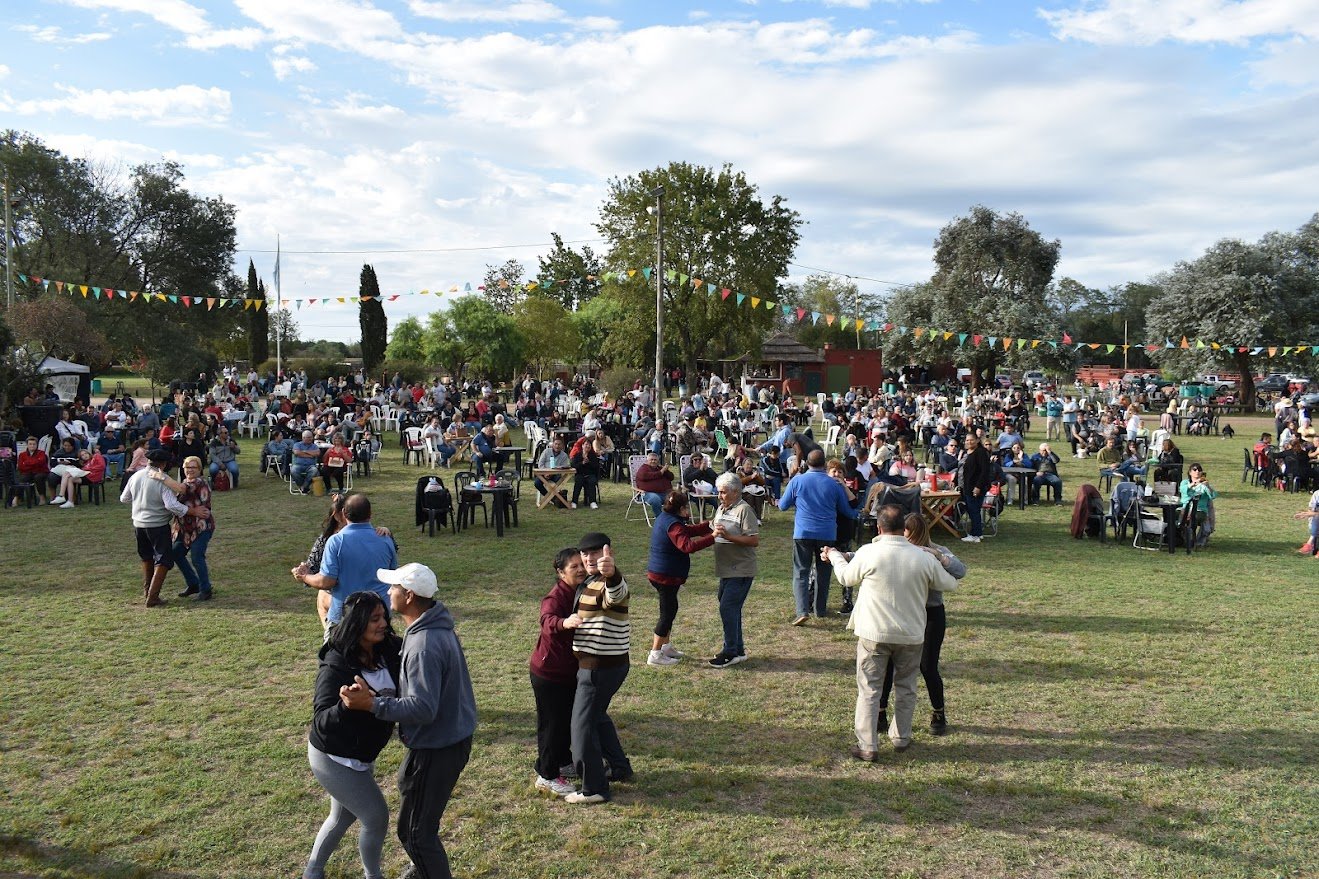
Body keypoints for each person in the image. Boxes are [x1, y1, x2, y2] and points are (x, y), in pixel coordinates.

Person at [340, 563, 477, 879]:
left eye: (394, 588)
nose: (388, 593)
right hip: (451, 740)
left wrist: (372, 703)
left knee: (416, 833)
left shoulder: (423, 645)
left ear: (409, 595)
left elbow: (422, 708)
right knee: (416, 814)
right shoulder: (438, 628)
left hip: (436, 747)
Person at [824, 505, 958, 760]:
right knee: (906, 687)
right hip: (911, 633)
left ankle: (868, 745)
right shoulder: (923, 557)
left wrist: (834, 556)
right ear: (902, 528)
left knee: (869, 689)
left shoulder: (869, 552)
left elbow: (845, 578)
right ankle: (901, 737)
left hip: (874, 633)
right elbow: (951, 583)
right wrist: (938, 559)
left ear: (878, 527)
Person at [303, 591, 402, 879]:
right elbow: (321, 721)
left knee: (342, 816)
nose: (383, 623)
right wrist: (347, 706)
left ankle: (312, 872)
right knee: (375, 817)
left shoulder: (388, 649)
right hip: (332, 756)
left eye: (384, 616)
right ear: (357, 623)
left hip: (360, 752)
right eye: (375, 619)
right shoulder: (336, 665)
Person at [877, 513, 966, 737]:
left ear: (915, 532)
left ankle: (939, 713)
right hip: (903, 612)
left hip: (930, 613)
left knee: (928, 666)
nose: (901, 535)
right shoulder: (896, 548)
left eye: (905, 531)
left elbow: (960, 570)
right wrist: (839, 555)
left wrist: (938, 556)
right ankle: (880, 712)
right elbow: (865, 555)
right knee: (889, 664)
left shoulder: (935, 550)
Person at [565, 533, 632, 804]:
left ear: (609, 553)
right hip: (605, 665)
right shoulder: (589, 581)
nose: (590, 558)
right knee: (597, 717)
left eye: (595, 552)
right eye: (585, 553)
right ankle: (619, 767)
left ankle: (594, 788)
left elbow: (616, 593)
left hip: (599, 668)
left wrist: (613, 573)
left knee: (581, 728)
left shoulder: (609, 581)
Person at [529, 548, 586, 798]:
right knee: (551, 725)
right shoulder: (555, 598)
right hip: (549, 673)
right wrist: (565, 622)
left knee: (564, 721)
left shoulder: (581, 589)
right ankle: (547, 775)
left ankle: (563, 761)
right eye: (574, 567)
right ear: (561, 572)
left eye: (581, 564)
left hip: (568, 670)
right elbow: (547, 621)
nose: (581, 570)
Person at [778, 449, 859, 624]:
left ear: (807, 463)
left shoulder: (797, 481)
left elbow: (782, 506)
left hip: (803, 533)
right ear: (824, 464)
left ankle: (802, 610)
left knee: (801, 572)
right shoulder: (834, 485)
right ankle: (820, 610)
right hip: (827, 534)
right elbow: (848, 512)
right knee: (824, 573)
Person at [296, 494, 398, 632]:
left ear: (344, 513)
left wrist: (305, 577)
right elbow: (392, 575)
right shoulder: (386, 539)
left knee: (333, 652)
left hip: (348, 616)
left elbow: (326, 582)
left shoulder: (336, 541)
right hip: (380, 615)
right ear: (370, 514)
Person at [645, 490, 716, 667]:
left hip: (661, 574)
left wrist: (710, 526)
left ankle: (666, 647)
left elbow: (687, 531)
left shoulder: (667, 518)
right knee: (666, 614)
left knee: (671, 610)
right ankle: (655, 654)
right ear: (681, 508)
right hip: (665, 576)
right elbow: (687, 545)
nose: (689, 512)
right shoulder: (674, 525)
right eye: (687, 508)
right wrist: (713, 538)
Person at [119, 449, 189, 607]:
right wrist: (190, 511)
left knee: (146, 557)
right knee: (163, 559)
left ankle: (147, 592)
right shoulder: (163, 481)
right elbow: (171, 505)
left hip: (138, 524)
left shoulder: (135, 476)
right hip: (157, 525)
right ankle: (153, 596)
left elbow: (124, 498)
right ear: (164, 464)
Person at [709, 472, 759, 668]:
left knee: (727, 608)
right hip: (726, 569)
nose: (719, 496)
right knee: (731, 607)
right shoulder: (722, 508)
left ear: (736, 492)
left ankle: (729, 651)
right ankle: (738, 649)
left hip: (740, 569)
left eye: (723, 492)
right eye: (719, 492)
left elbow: (753, 540)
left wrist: (730, 537)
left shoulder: (744, 510)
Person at [172, 456, 215, 601]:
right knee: (175, 553)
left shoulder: (199, 482)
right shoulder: (184, 482)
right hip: (184, 529)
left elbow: (182, 489)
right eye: (187, 467)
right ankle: (193, 584)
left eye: (193, 467)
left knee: (197, 556)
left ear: (200, 469)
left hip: (201, 527)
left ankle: (206, 589)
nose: (190, 470)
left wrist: (159, 476)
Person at [959, 435, 993, 542]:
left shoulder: (980, 453)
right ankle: (977, 532)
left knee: (974, 510)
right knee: (972, 510)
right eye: (967, 440)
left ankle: (976, 535)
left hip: (975, 487)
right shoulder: (967, 453)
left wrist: (978, 487)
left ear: (977, 440)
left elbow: (984, 471)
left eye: (971, 440)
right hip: (967, 486)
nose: (969, 442)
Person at [1178, 463, 1218, 548]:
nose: (1197, 471)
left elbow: (1213, 496)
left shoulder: (1204, 485)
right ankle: (1179, 538)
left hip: (1200, 510)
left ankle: (1192, 541)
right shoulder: (1185, 483)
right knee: (1175, 514)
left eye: (1199, 470)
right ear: (1190, 472)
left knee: (1194, 517)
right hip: (1185, 508)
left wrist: (1208, 487)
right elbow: (1183, 490)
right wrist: (1192, 484)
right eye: (1195, 469)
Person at [533, 437, 571, 508]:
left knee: (560, 482)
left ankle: (557, 498)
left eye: (559, 444)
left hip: (556, 474)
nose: (557, 446)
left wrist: (555, 471)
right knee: (537, 483)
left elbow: (566, 465)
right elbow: (540, 464)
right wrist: (545, 473)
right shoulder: (546, 451)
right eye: (556, 444)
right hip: (544, 473)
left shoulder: (564, 455)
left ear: (562, 446)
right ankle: (553, 498)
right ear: (552, 444)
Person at [634, 450, 673, 518]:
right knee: (655, 499)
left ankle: (674, 517)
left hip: (664, 493)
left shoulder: (660, 468)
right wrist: (661, 472)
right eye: (651, 460)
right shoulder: (643, 469)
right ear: (647, 461)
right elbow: (645, 476)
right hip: (647, 493)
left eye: (655, 460)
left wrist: (666, 471)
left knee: (676, 498)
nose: (653, 461)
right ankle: (660, 518)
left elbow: (671, 477)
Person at [569, 429, 602, 509]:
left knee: (592, 481)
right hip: (580, 474)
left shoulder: (592, 455)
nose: (587, 446)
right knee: (578, 482)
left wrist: (589, 462)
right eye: (586, 444)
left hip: (590, 474)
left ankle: (592, 502)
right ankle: (574, 501)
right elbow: (573, 465)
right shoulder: (578, 455)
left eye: (589, 445)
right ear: (582, 445)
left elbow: (596, 466)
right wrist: (582, 463)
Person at [17, 436, 50, 503]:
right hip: (28, 472)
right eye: (30, 444)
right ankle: (17, 498)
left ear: (37, 445)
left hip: (41, 472)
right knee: (22, 478)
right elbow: (21, 467)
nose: (32, 446)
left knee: (38, 477)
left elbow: (41, 463)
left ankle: (42, 497)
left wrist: (26, 463)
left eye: (34, 444)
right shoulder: (22, 455)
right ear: (27, 445)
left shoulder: (41, 453)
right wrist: (34, 463)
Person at [291, 429, 322, 494]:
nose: (311, 438)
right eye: (309, 437)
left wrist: (304, 451)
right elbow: (297, 452)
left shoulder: (314, 446)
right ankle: (304, 487)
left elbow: (317, 453)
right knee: (293, 470)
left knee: (314, 470)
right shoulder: (297, 444)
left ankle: (303, 487)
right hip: (298, 465)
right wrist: (310, 455)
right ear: (303, 438)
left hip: (310, 466)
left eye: (311, 437)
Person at [1293, 488, 1319, 557]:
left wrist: (1313, 514)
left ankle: (1310, 544)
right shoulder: (1317, 494)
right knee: (1315, 517)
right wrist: (1306, 514)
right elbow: (1311, 509)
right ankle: (1310, 544)